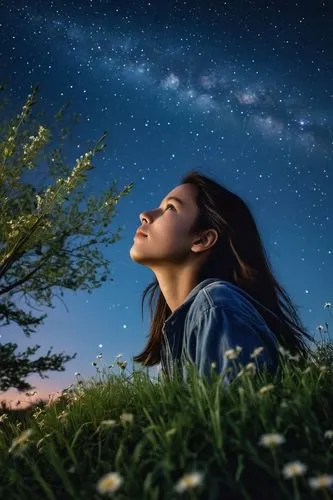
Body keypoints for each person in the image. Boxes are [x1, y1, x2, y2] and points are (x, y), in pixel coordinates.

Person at [129, 169, 315, 384]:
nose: (145, 214)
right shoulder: (192, 321)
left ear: (202, 240)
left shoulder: (215, 307)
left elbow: (232, 414)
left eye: (170, 208)